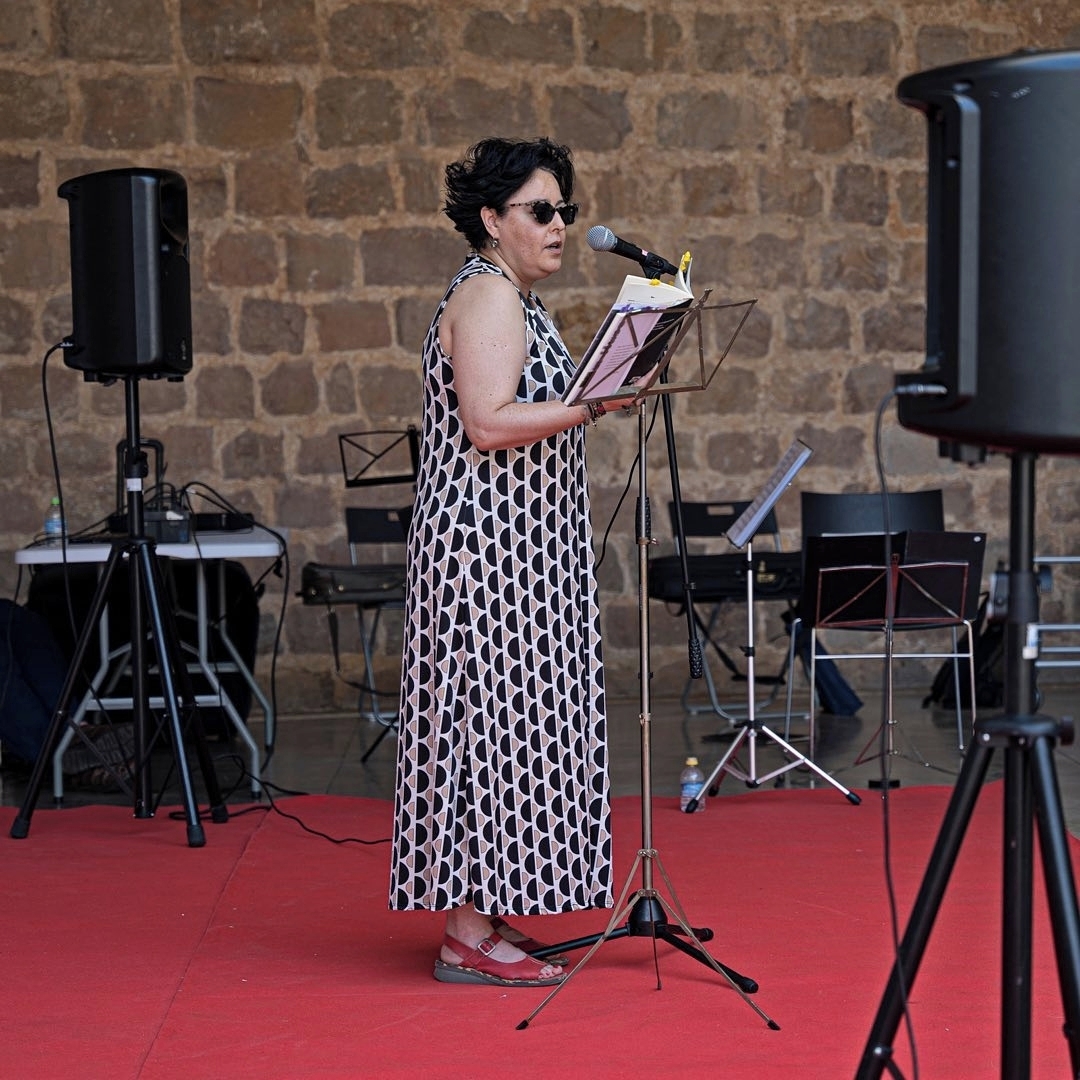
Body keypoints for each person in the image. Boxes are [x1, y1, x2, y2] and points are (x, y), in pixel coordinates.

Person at [388, 136, 635, 987]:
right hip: (487, 554)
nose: (560, 224)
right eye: (541, 211)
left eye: (564, 208)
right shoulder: (491, 295)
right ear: (492, 221)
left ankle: (482, 916)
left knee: (511, 729)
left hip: (521, 548)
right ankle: (464, 934)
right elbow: (489, 423)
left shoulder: (513, 297)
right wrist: (591, 400)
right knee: (484, 727)